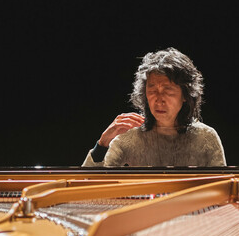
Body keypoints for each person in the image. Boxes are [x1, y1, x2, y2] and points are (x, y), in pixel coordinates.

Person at [82, 48, 226, 167]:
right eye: (152, 91)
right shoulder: (131, 137)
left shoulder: (206, 138)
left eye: (167, 91)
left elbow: (223, 192)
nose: (158, 99)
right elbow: (87, 186)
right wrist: (102, 144)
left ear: (185, 96)